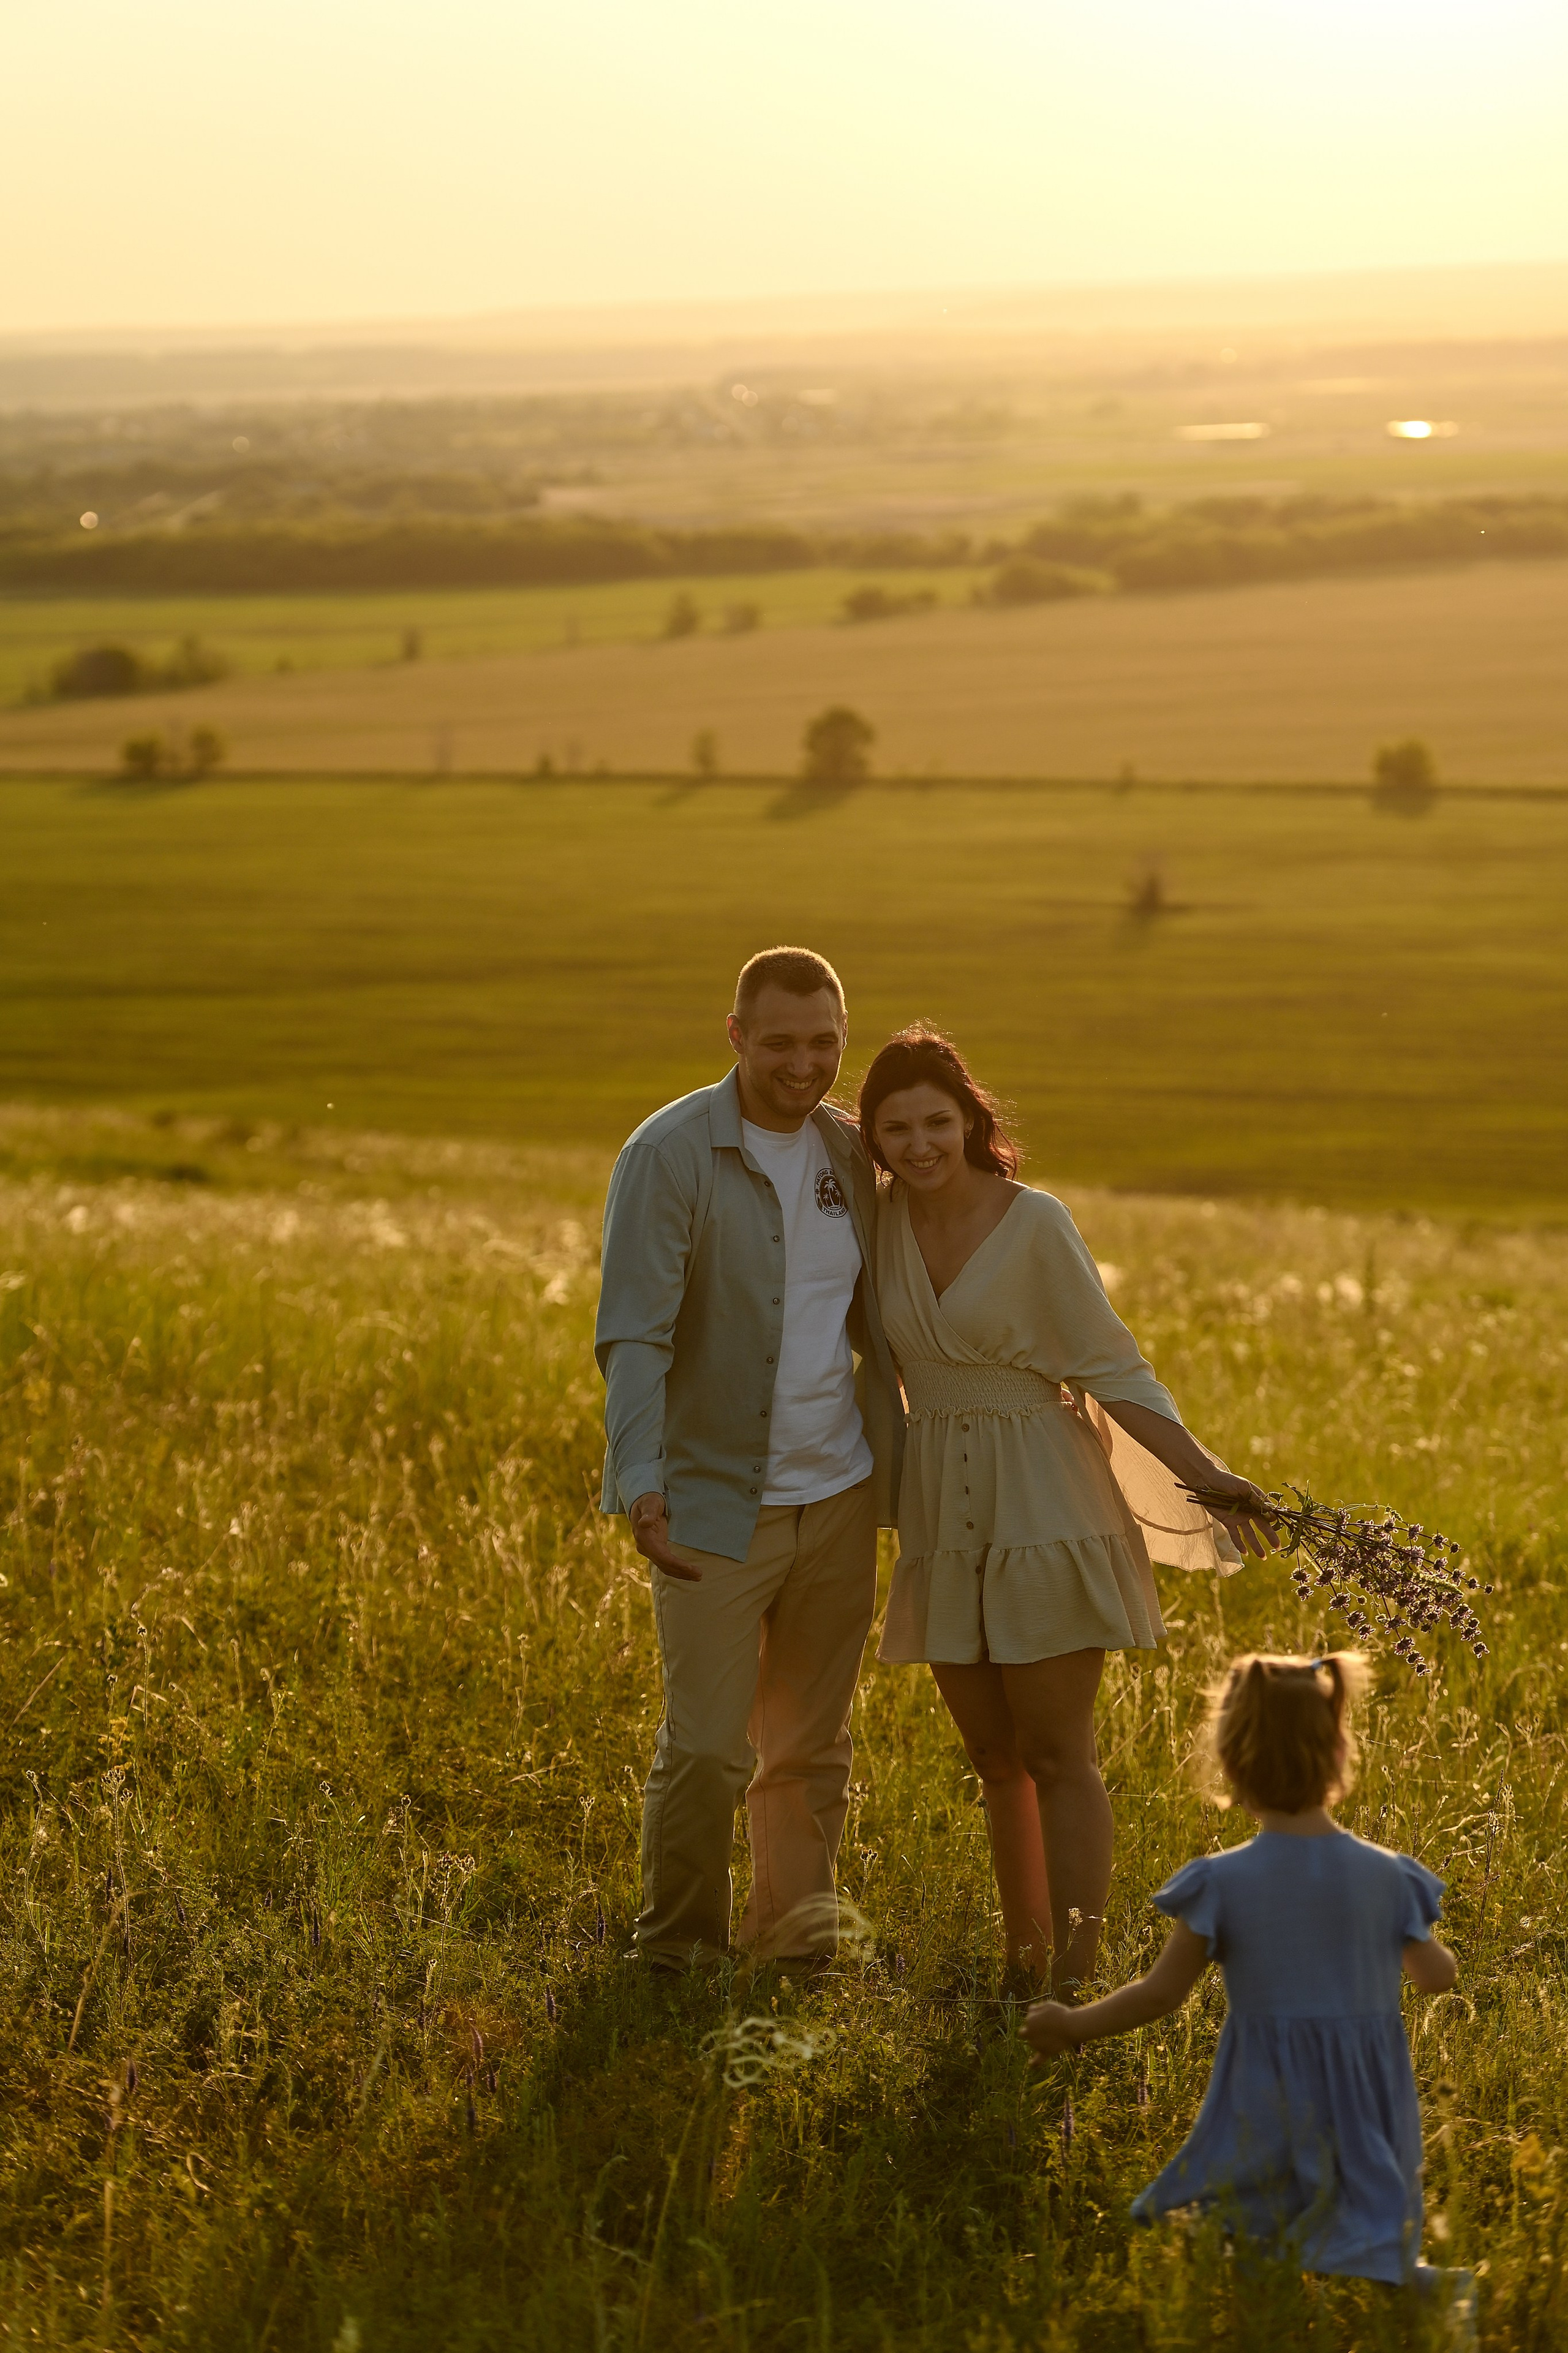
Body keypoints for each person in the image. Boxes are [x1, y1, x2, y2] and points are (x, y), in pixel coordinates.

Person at [859, 1026, 1274, 1987]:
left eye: (937, 1122)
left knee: (1056, 1752)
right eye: (897, 1129)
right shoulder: (875, 1221)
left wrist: (1205, 1470)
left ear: (972, 1120)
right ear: (874, 1140)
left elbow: (1112, 1365)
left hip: (1043, 1494)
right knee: (994, 1758)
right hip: (941, 1508)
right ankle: (1025, 1960)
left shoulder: (1035, 1222)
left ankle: (1077, 1973)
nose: (920, 1144)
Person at [595, 947, 903, 1969]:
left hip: (841, 1492)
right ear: (735, 1036)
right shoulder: (672, 1153)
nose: (804, 1062)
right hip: (713, 1501)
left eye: (824, 1042)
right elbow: (634, 1333)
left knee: (810, 1750)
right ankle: (678, 1949)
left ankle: (791, 1948)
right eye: (780, 1041)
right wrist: (642, 1480)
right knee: (709, 1749)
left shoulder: (853, 1153)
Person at [1021, 1653, 1468, 2313]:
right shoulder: (1386, 1876)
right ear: (1339, 1750)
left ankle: (1267, 2315)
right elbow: (1437, 1977)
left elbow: (1158, 1995)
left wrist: (1070, 2023)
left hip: (1267, 2090)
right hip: (1367, 2093)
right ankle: (1439, 2297)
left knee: (1254, 2226)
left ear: (1229, 1759)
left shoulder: (1223, 1881)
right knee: (1374, 2229)